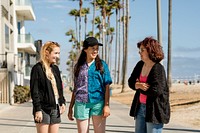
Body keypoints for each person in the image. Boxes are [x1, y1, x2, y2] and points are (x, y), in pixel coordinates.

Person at [67, 37, 112, 133]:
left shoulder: (102, 65)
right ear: (85, 49)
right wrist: (71, 107)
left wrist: (106, 105)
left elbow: (107, 85)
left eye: (97, 49)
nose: (95, 51)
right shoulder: (78, 66)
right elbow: (76, 88)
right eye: (93, 48)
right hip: (81, 103)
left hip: (98, 103)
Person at [128, 37, 170, 133]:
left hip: (155, 110)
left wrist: (138, 86)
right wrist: (138, 85)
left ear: (151, 50)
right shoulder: (140, 65)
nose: (140, 52)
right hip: (140, 108)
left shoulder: (158, 68)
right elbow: (130, 82)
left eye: (142, 50)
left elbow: (156, 91)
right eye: (140, 50)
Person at [30, 41, 66, 133]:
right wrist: (37, 110)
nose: (58, 56)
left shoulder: (55, 68)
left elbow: (59, 88)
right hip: (42, 109)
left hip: (55, 108)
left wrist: (62, 102)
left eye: (59, 53)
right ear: (47, 52)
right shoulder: (37, 68)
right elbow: (35, 91)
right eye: (55, 53)